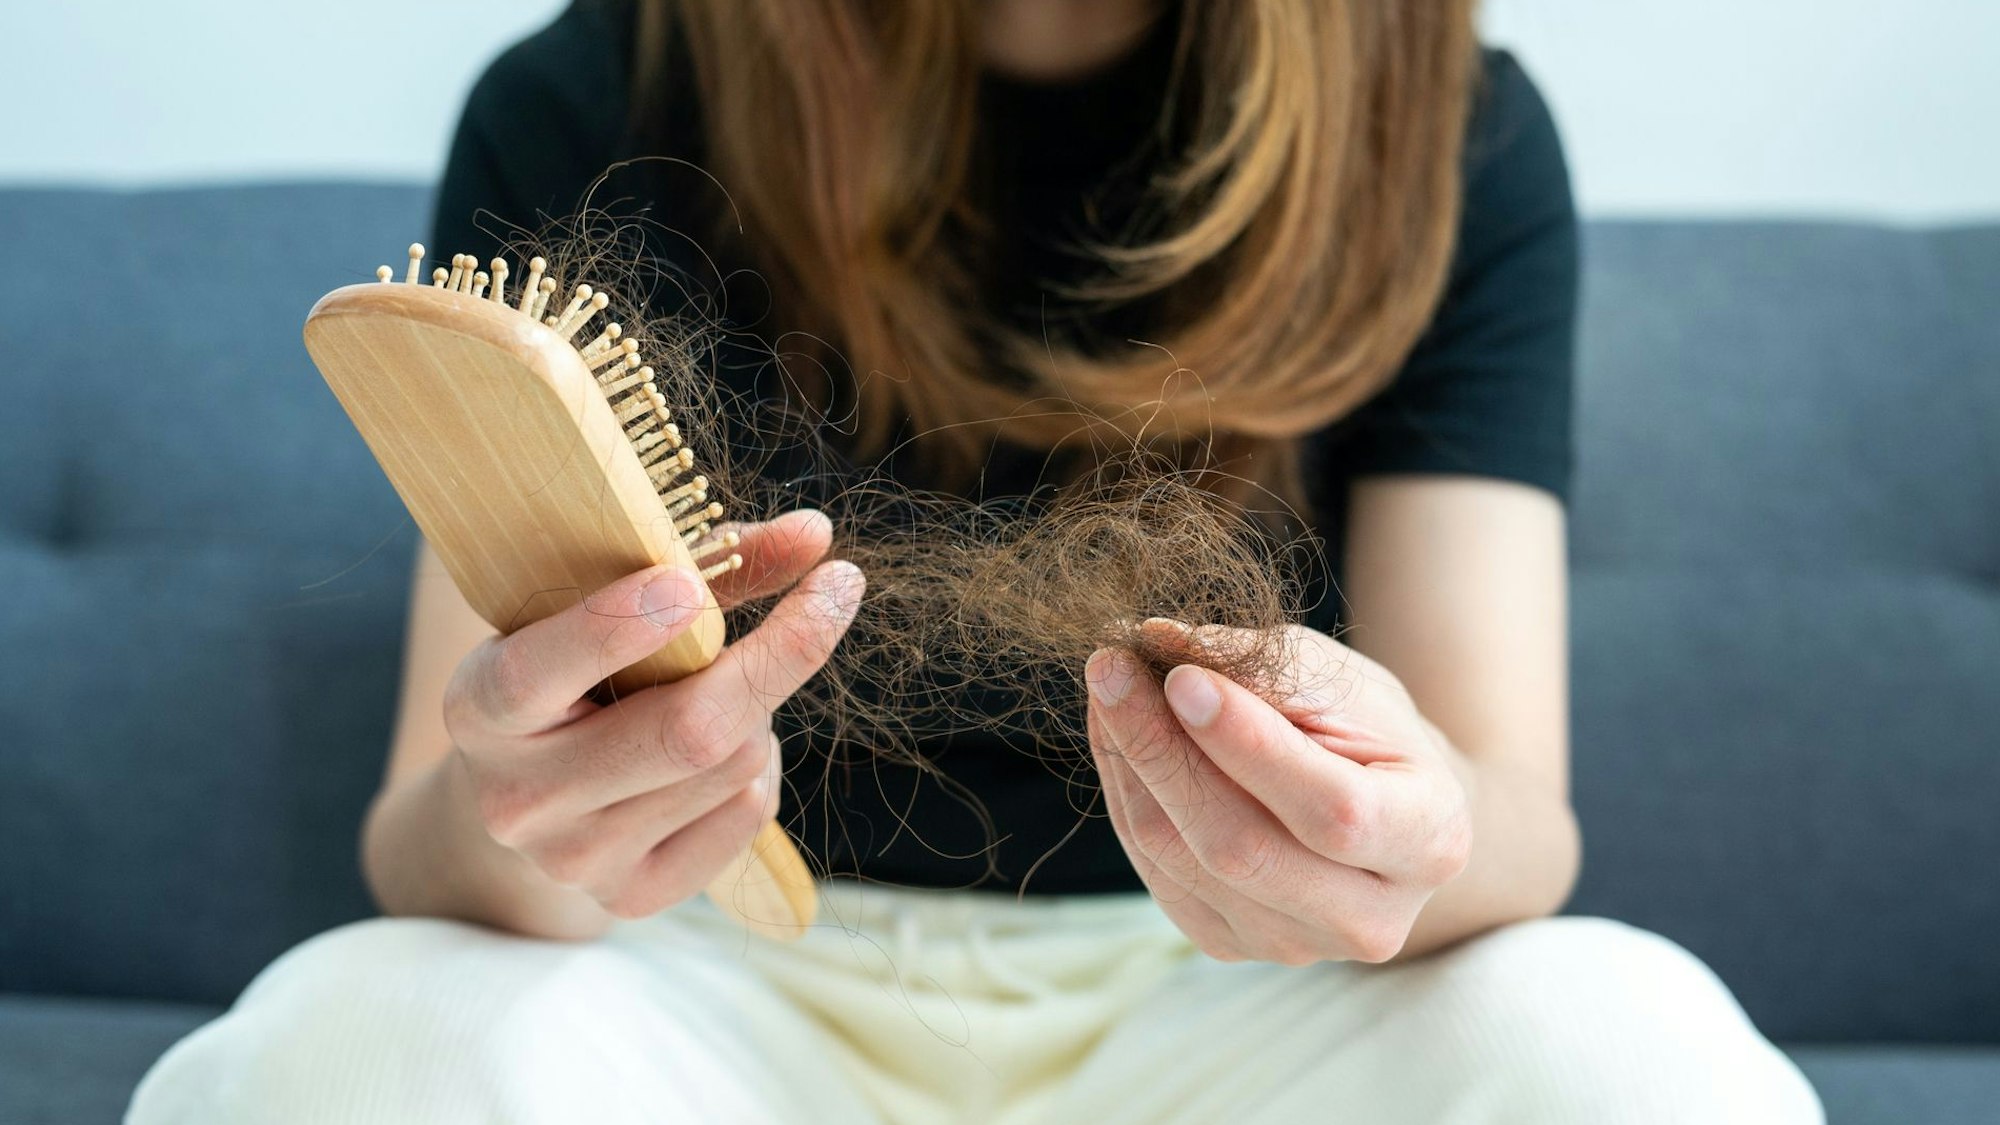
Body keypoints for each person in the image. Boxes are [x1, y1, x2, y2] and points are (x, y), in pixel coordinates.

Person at [130, 1, 1823, 1121]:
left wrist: (1411, 826)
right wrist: (528, 807)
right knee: (333, 1047)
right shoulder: (596, 90)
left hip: (1242, 1001)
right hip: (701, 990)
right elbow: (429, 833)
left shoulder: (1449, 130)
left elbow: (1517, 815)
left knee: (1636, 1049)